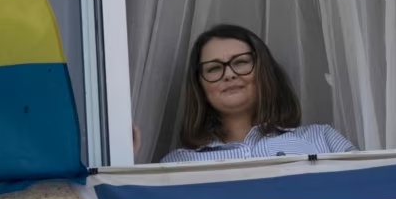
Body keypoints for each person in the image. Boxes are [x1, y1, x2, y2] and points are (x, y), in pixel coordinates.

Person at [132, 24, 357, 163]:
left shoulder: (321, 140)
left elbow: (371, 195)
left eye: (240, 63)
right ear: (200, 87)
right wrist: (122, 163)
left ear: (265, 72)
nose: (228, 74)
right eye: (213, 68)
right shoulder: (178, 164)